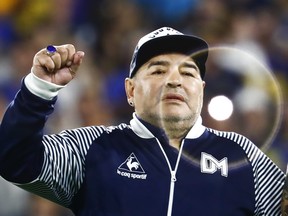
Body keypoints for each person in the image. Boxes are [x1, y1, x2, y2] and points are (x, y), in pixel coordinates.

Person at [0, 27, 285, 216]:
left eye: (187, 73)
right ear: (130, 91)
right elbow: (14, 160)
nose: (174, 80)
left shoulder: (244, 157)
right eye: (158, 70)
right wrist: (39, 90)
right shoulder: (91, 146)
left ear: (202, 89)